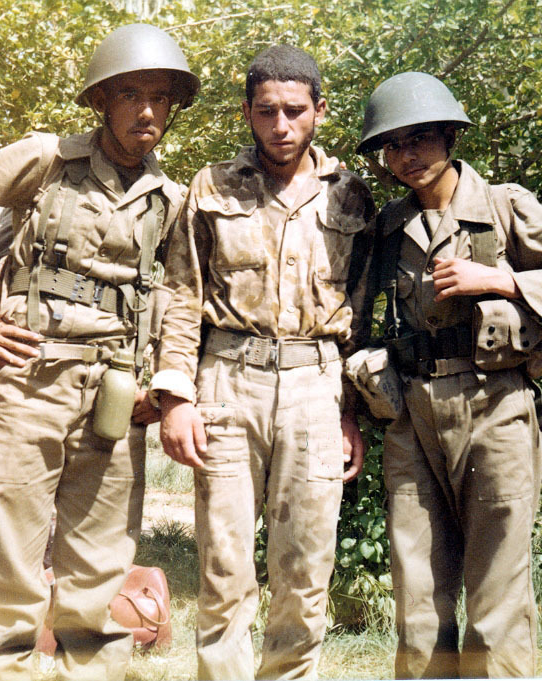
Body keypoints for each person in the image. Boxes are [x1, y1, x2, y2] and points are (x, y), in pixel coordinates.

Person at [0, 24, 200, 681]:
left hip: (117, 396)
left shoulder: (172, 202)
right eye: (131, 95)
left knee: (97, 579)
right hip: (26, 382)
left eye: (160, 98)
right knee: (9, 575)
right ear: (100, 101)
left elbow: (182, 301)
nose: (147, 111)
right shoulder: (45, 161)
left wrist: (168, 386)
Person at [355, 72, 542, 678]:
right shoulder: (388, 226)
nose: (406, 156)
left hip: (496, 407)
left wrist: (501, 279)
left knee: (497, 596)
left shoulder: (504, 206)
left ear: (450, 137)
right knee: (417, 597)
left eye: (420, 139)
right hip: (413, 415)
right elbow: (358, 321)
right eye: (393, 146)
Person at [151, 45, 375, 679]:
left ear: (320, 111)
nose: (281, 125)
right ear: (247, 113)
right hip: (227, 382)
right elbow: (181, 295)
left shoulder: (351, 197)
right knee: (224, 569)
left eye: (295, 111)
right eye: (267, 111)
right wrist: (176, 398)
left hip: (316, 387)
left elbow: (359, 315)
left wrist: (349, 414)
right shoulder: (212, 186)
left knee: (305, 570)